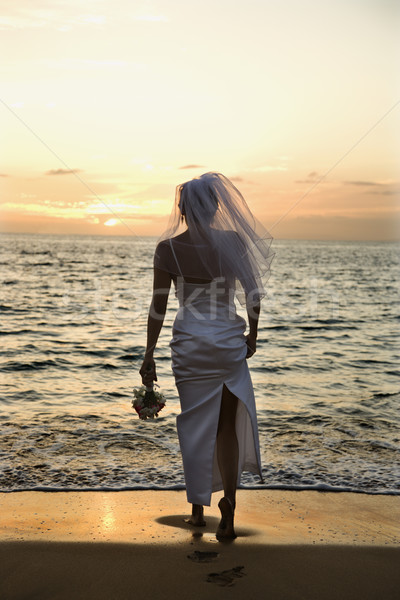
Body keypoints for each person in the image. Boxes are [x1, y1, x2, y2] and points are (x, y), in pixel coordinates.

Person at [139, 172, 274, 540]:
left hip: (190, 345)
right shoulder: (232, 242)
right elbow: (254, 295)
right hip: (227, 342)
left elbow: (158, 307)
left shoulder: (167, 249)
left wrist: (148, 355)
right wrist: (253, 335)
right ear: (216, 208)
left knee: (196, 423)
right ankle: (228, 504)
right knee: (226, 426)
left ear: (182, 210)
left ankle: (198, 512)